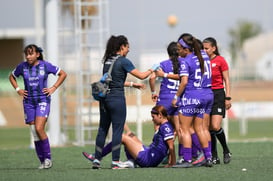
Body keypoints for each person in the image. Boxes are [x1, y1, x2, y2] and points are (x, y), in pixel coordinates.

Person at [92, 35, 160, 169]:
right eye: (128, 47)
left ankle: (97, 160)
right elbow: (141, 75)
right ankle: (115, 161)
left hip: (104, 99)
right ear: (122, 46)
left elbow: (112, 80)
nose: (129, 50)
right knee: (118, 130)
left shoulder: (107, 61)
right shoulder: (123, 61)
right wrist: (152, 69)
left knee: (102, 129)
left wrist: (133, 85)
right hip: (117, 99)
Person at [9, 44, 67, 169]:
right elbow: (11, 77)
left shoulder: (45, 65)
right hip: (28, 102)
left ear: (37, 54)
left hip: (42, 100)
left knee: (39, 128)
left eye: (31, 54)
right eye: (27, 54)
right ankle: (42, 162)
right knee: (34, 132)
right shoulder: (22, 67)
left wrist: (53, 87)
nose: (28, 56)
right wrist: (18, 89)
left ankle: (48, 159)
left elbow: (63, 74)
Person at [83, 105, 176, 168]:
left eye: (153, 117)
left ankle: (98, 156)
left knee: (122, 137)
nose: (152, 120)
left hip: (149, 159)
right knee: (129, 135)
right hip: (149, 152)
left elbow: (171, 146)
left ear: (160, 115)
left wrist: (172, 163)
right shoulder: (164, 126)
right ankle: (131, 162)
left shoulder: (166, 127)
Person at [172, 33, 214, 168]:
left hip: (192, 97)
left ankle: (187, 160)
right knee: (201, 128)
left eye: (179, 48)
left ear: (186, 49)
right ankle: (208, 157)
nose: (178, 52)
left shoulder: (185, 61)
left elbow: (183, 82)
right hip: (207, 94)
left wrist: (176, 97)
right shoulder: (204, 55)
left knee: (183, 129)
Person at [149, 42, 183, 162]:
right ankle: (181, 157)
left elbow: (152, 78)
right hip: (177, 101)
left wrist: (153, 92)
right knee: (179, 130)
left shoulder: (162, 64)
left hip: (163, 101)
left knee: (159, 129)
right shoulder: (183, 64)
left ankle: (160, 155)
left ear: (168, 52)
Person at [203, 37, 232, 164]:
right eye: (202, 48)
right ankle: (214, 155)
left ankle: (226, 150)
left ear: (214, 48)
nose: (204, 50)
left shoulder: (220, 60)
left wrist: (228, 97)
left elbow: (227, 80)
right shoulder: (202, 61)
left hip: (218, 94)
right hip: (206, 94)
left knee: (215, 126)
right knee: (209, 128)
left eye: (206, 48)